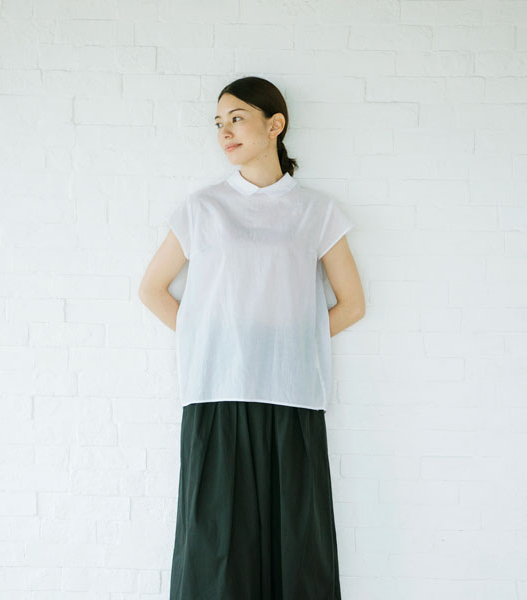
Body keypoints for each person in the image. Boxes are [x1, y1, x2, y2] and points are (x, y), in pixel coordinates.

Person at [138, 76, 365, 600]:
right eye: (219, 123)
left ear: (275, 125)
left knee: (297, 554)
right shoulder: (203, 208)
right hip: (216, 395)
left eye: (237, 118)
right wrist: (214, 342)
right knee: (215, 553)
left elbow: (352, 304)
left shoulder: (316, 211)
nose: (225, 132)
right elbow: (151, 290)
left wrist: (287, 346)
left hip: (292, 397)